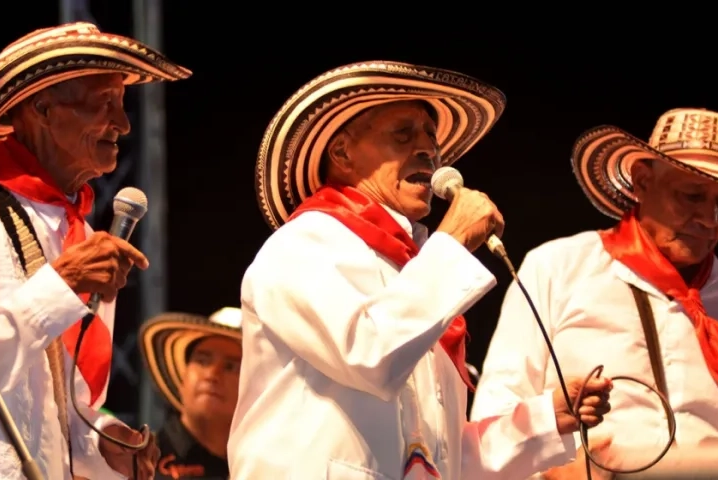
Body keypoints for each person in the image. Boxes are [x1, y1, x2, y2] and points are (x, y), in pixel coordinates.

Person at [228, 60, 612, 480]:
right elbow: (370, 354)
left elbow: (437, 459)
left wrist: (546, 419)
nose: (428, 149)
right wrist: (454, 241)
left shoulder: (416, 278)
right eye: (403, 134)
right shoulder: (304, 243)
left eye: (431, 137)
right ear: (341, 152)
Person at [472, 108, 718, 479]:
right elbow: (495, 414)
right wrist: (546, 473)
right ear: (641, 181)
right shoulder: (558, 267)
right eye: (691, 195)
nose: (709, 219)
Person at [0, 22, 190, 479]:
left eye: (122, 105)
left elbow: (56, 403)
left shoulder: (73, 230)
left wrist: (102, 443)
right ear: (42, 108)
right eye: (104, 104)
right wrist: (59, 285)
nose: (123, 124)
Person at [140, 307, 241, 479]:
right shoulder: (136, 459)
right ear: (183, 379)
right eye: (202, 361)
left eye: (230, 366)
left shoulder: (266, 466)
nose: (211, 375)